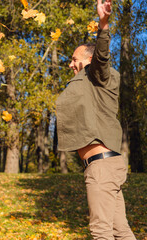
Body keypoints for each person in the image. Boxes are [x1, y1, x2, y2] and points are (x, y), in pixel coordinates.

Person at [56, 0, 136, 239]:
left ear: (88, 60)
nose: (71, 64)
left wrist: (103, 24)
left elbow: (101, 56)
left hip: (101, 166)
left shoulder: (99, 74)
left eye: (74, 59)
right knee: (119, 230)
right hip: (105, 166)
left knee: (100, 231)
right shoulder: (92, 82)